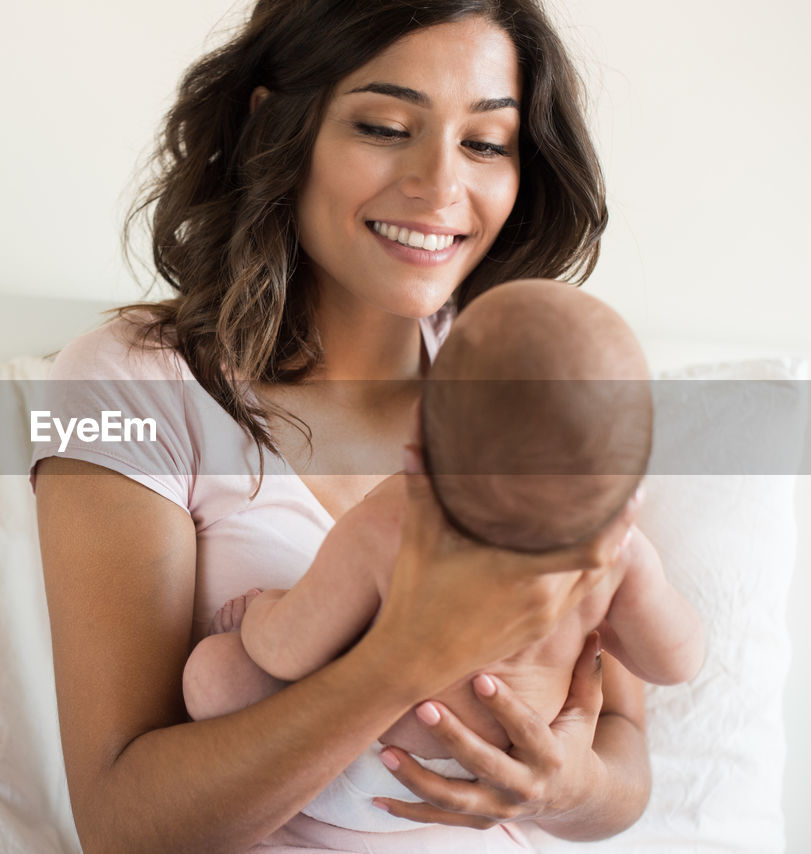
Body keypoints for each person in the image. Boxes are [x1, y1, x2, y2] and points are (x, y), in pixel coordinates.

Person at [32, 1, 655, 850]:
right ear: (274, 128)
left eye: (484, 143)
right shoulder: (124, 386)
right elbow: (123, 824)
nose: (440, 187)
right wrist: (404, 660)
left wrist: (565, 788)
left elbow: (621, 739)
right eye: (385, 126)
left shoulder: (537, 396)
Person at [180, 279, 706, 833]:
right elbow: (676, 662)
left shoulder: (395, 521)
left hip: (361, 766)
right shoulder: (612, 554)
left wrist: (264, 608)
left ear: (423, 432)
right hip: (500, 780)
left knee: (216, 674)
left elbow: (288, 651)